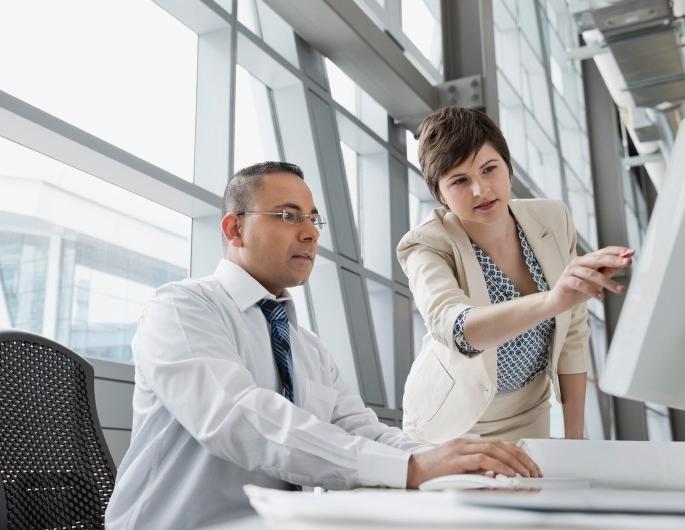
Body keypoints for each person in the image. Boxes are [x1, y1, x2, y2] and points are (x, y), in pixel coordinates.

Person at [105, 161, 540, 529]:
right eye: (289, 216)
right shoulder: (182, 308)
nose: (311, 233)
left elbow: (360, 429)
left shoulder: (305, 346)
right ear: (234, 228)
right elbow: (239, 418)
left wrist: (444, 457)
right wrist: (408, 469)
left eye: (314, 219)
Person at [398, 107, 633, 445]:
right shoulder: (426, 245)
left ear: (507, 166)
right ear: (440, 193)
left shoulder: (553, 218)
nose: (481, 189)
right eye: (460, 181)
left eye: (489, 169)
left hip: (528, 413)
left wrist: (575, 439)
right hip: (453, 421)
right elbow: (458, 328)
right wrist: (552, 301)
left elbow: (573, 334)